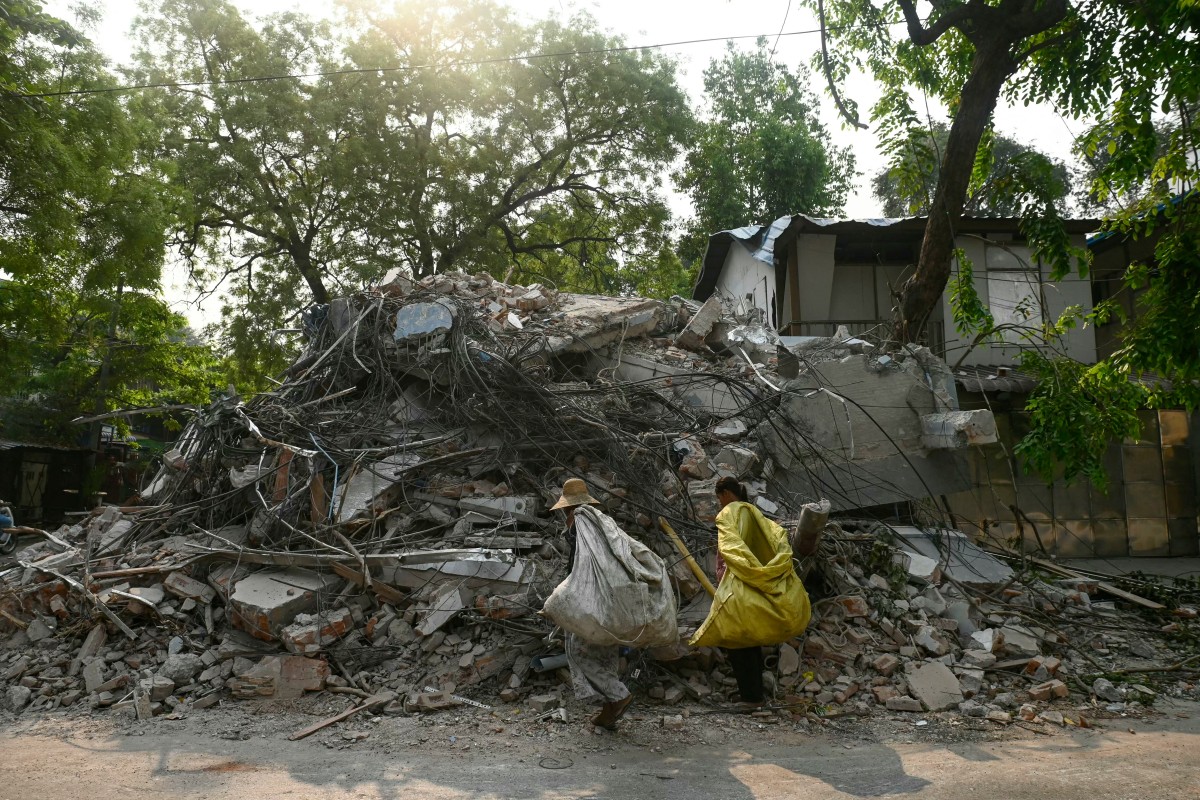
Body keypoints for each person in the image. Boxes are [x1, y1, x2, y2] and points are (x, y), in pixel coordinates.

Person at [700, 476, 812, 707]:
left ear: (724, 494)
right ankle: (755, 694)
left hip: (738, 583)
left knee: (737, 641)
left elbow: (730, 548)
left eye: (718, 498)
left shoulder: (730, 512)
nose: (719, 503)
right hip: (758, 584)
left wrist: (736, 573)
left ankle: (751, 698)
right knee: (751, 639)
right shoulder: (755, 512)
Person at [549, 478, 634, 730]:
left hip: (589, 596)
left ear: (567, 507)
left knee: (579, 651)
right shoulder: (598, 521)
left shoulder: (580, 524)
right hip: (610, 595)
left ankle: (618, 695)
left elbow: (581, 565)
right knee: (603, 651)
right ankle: (610, 709)